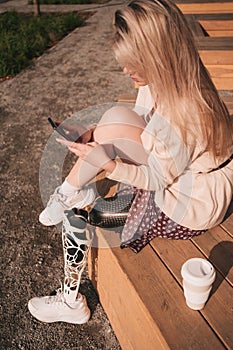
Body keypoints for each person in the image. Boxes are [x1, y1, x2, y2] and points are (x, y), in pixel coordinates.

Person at [28, 0, 233, 324]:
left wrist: (110, 165)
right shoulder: (173, 77)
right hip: (183, 171)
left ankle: (71, 300)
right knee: (112, 120)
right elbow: (140, 118)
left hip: (192, 200)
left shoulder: (183, 114)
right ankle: (70, 189)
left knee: (76, 217)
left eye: (133, 63)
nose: (125, 71)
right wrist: (97, 135)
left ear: (157, 57)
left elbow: (156, 179)